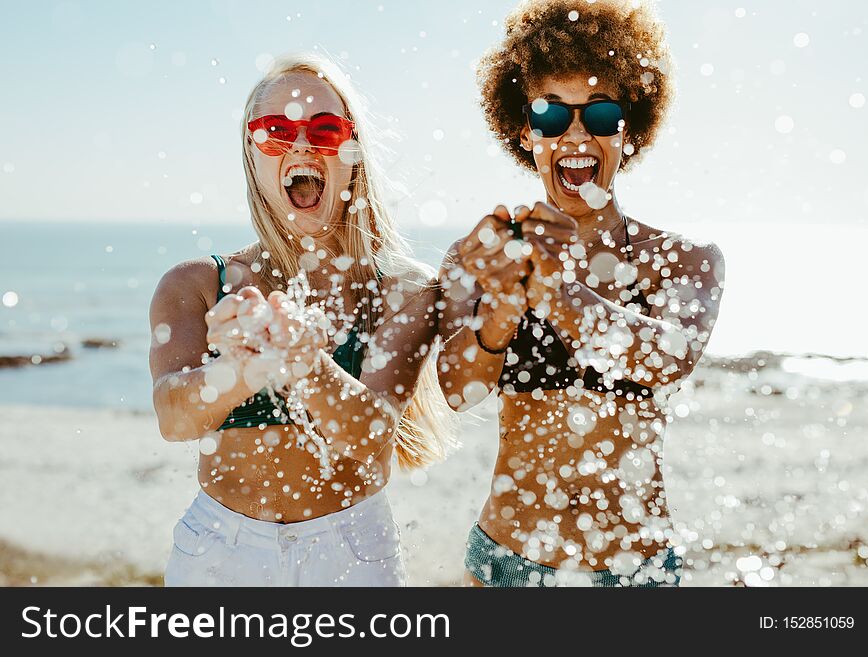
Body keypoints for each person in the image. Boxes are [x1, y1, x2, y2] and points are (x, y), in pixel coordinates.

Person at [437, 0, 725, 587]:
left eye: (599, 114)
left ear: (628, 129)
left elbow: (667, 358)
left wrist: (555, 290)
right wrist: (502, 309)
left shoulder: (683, 260)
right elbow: (458, 391)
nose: (574, 135)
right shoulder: (486, 256)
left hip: (637, 571)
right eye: (550, 116)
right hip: (506, 566)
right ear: (524, 130)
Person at [149, 53, 454, 587]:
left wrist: (300, 361)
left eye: (325, 128)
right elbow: (174, 417)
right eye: (276, 130)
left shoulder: (403, 290)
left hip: (352, 551)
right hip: (220, 550)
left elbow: (370, 434)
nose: (301, 144)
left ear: (352, 151)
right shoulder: (194, 284)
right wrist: (245, 369)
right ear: (252, 152)